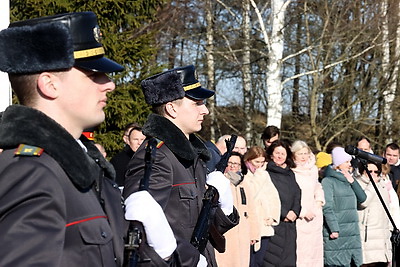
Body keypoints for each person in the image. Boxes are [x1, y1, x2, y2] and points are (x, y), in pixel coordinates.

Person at [0, 12, 127, 266]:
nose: (109, 84)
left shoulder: (82, 166)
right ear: (49, 85)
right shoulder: (31, 172)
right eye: (93, 74)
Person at [123, 65, 239, 266]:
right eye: (197, 103)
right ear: (171, 108)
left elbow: (198, 223)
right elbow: (142, 233)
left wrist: (224, 207)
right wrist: (191, 260)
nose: (206, 110)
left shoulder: (191, 157)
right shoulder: (156, 157)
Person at [322, 147, 367, 267]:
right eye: (346, 162)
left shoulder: (349, 180)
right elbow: (327, 207)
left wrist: (352, 181)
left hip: (352, 234)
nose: (350, 165)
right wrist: (334, 229)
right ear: (338, 164)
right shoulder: (328, 181)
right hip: (338, 234)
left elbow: (362, 198)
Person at [215, 152, 258, 267]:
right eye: (230, 162)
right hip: (226, 232)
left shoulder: (244, 184)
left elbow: (251, 210)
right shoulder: (219, 182)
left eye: (236, 163)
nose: (233, 166)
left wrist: (254, 234)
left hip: (243, 233)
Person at [263, 140, 301, 267]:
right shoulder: (266, 173)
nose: (280, 156)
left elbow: (297, 193)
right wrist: (283, 213)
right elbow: (267, 197)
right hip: (275, 224)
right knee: (271, 260)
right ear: (271, 154)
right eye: (277, 153)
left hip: (290, 226)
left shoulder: (290, 173)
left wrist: (295, 211)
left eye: (283, 153)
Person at [291, 140, 325, 267]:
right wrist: (303, 211)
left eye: (306, 153)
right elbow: (291, 194)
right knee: (301, 252)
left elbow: (317, 186)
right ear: (294, 155)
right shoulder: (292, 171)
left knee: (314, 251)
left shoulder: (313, 169)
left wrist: (319, 201)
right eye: (300, 154)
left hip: (315, 216)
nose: (304, 157)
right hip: (300, 217)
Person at [356, 162, 392, 267]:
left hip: (382, 237)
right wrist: (372, 184)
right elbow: (363, 202)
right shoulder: (358, 183)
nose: (373, 174)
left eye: (376, 171)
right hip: (367, 237)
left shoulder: (382, 185)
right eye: (369, 171)